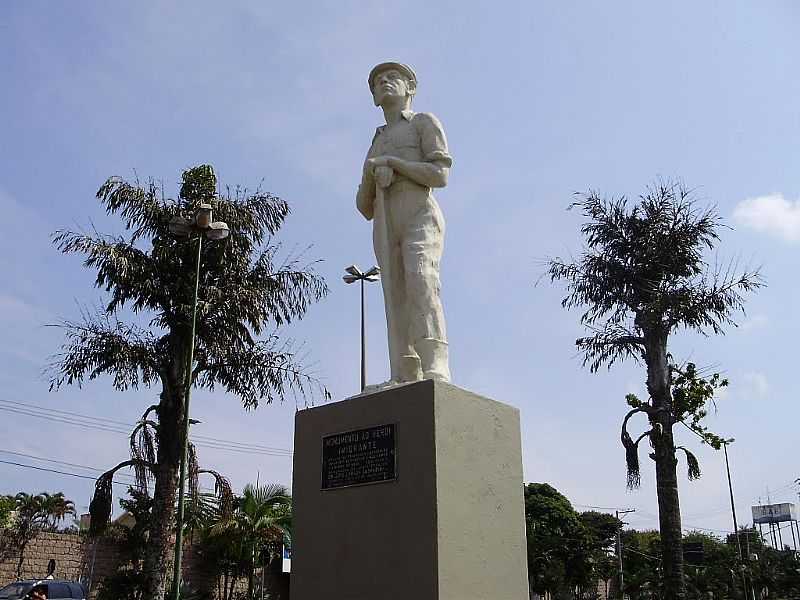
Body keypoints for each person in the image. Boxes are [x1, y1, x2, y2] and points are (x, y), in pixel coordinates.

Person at [356, 61, 452, 385]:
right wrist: (373, 173)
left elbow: (440, 174)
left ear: (410, 87)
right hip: (385, 221)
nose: (384, 82)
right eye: (377, 81)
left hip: (419, 213)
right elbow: (362, 206)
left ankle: (435, 363)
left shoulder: (423, 123)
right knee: (394, 294)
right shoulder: (376, 141)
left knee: (421, 279)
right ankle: (404, 371)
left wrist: (394, 165)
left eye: (391, 77)